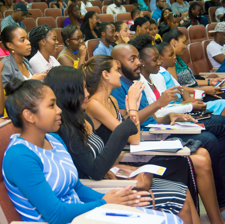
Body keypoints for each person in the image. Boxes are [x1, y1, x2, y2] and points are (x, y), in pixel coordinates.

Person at [2, 77, 185, 223]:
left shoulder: (54, 139)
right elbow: (55, 215)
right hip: (69, 220)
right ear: (29, 115)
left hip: (84, 215)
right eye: (51, 106)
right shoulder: (20, 156)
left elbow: (77, 188)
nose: (59, 110)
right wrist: (104, 203)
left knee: (170, 217)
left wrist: (114, 198)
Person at [45, 65, 200, 224]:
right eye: (81, 89)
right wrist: (132, 110)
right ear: (67, 93)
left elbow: (103, 156)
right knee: (179, 199)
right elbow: (96, 170)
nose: (86, 93)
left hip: (109, 178)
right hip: (99, 189)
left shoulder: (82, 118)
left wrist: (122, 169)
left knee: (183, 190)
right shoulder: (66, 129)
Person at [110, 43, 225, 221]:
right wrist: (159, 104)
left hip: (154, 130)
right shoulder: (119, 87)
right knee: (205, 146)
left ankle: (218, 213)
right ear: (117, 64)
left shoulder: (133, 81)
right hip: (142, 140)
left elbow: (150, 118)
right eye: (132, 60)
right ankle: (218, 211)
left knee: (207, 144)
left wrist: (171, 115)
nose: (138, 63)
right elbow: (129, 127)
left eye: (138, 59)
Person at [163, 28, 225, 102]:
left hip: (199, 92)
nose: (185, 46)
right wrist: (205, 90)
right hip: (194, 97)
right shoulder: (170, 63)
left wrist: (210, 82)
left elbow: (191, 82)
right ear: (174, 43)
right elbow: (178, 88)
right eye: (183, 42)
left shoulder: (179, 59)